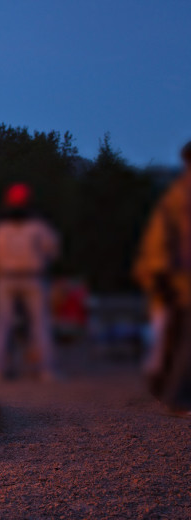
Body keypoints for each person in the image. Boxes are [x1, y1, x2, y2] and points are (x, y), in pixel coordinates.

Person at [134, 141, 191, 414]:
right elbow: (162, 237)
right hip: (176, 277)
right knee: (180, 337)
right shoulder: (181, 195)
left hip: (173, 276)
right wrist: (159, 274)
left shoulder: (180, 192)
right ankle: (176, 395)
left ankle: (165, 388)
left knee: (175, 336)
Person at [0, 184, 60, 381]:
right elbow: (52, 251)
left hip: (6, 278)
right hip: (32, 277)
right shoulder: (38, 227)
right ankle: (46, 371)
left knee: (3, 325)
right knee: (40, 324)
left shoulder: (0, 229)